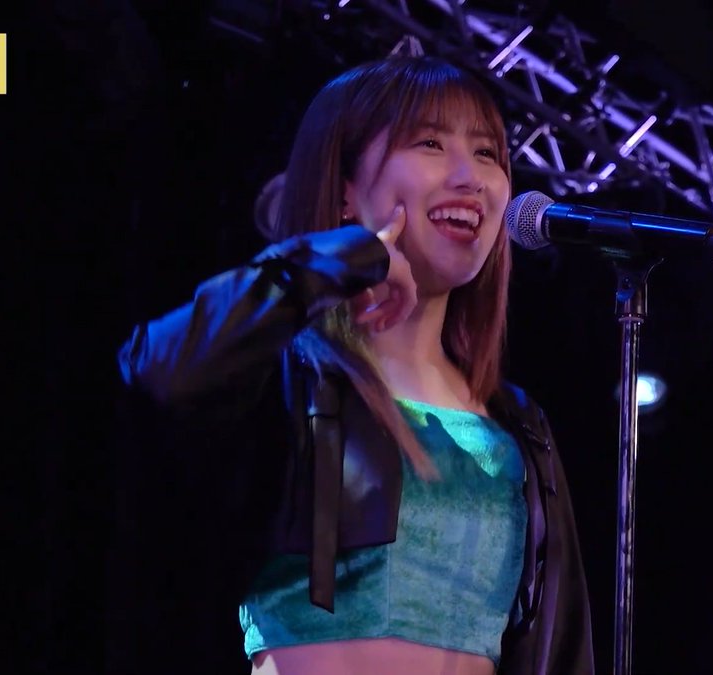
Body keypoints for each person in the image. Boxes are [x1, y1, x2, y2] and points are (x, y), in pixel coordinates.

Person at [113, 54, 595, 675]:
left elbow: (563, 645)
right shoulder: (290, 380)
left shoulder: (518, 425)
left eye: (486, 154)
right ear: (344, 189)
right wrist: (343, 259)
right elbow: (162, 369)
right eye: (430, 143)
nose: (470, 177)